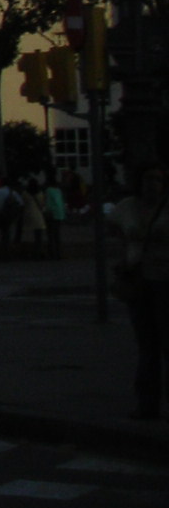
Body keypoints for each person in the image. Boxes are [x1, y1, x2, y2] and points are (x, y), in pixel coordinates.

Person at [111, 163, 169, 421]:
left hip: (165, 279)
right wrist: (122, 258)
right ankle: (147, 404)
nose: (152, 184)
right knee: (146, 345)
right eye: (148, 178)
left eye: (158, 179)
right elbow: (115, 234)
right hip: (138, 280)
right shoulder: (127, 207)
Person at [43, 175, 67, 261]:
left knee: (51, 235)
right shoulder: (58, 190)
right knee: (57, 235)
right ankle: (58, 253)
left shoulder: (48, 190)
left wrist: (45, 211)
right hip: (59, 214)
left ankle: (52, 254)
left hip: (52, 214)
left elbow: (48, 204)